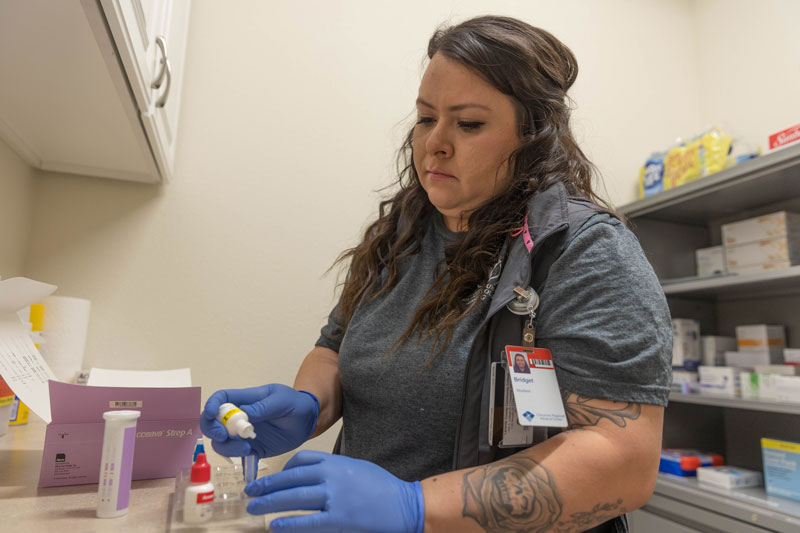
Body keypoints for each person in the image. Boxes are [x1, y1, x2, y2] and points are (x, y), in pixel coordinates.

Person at [200, 15, 671, 533]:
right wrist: (307, 404)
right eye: (426, 119)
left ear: (534, 136)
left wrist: (414, 507)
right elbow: (335, 347)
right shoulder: (399, 235)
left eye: (468, 124)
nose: (434, 144)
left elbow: (620, 461)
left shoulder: (582, 250)